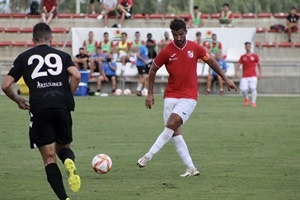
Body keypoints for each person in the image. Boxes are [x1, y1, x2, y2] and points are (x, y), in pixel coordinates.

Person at [136, 18, 236, 177]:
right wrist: (149, 93)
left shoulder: (195, 48)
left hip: (189, 97)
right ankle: (191, 167)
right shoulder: (167, 51)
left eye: (181, 34)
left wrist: (226, 78)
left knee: (171, 123)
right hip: (170, 96)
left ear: (186, 33)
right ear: (172, 34)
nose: (178, 38)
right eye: (175, 35)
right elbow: (153, 70)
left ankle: (148, 156)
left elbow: (210, 61)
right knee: (174, 132)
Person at [1, 23, 81, 200]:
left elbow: (5, 85)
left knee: (49, 159)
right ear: (51, 39)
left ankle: (64, 199)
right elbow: (76, 75)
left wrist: (19, 100)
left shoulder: (24, 57)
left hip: (39, 107)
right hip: (61, 105)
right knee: (63, 147)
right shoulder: (62, 55)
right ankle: (68, 160)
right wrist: (67, 95)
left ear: (33, 39)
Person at [235, 42, 261, 107]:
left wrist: (260, 72)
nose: (248, 47)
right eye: (247, 46)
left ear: (250, 47)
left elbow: (259, 64)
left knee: (253, 88)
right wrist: (236, 72)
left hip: (253, 75)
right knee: (244, 89)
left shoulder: (255, 56)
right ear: (245, 47)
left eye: (249, 46)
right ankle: (246, 98)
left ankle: (253, 102)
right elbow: (238, 64)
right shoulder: (243, 56)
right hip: (245, 75)